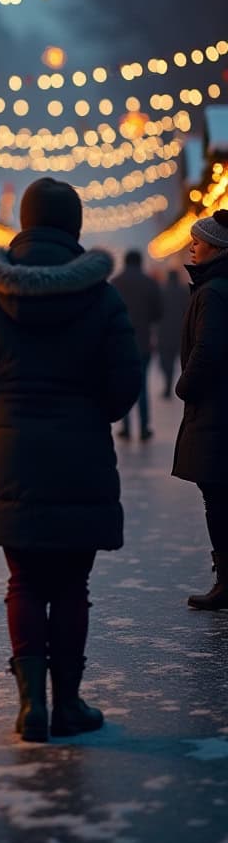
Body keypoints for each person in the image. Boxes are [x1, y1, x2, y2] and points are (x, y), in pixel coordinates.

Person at [0, 176, 140, 743]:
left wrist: (10, 410)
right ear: (74, 226)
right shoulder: (102, 296)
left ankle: (30, 703)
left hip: (15, 451)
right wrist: (90, 413)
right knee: (71, 586)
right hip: (81, 451)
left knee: (25, 582)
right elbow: (125, 383)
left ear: (25, 223)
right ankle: (69, 703)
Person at [171, 210, 228, 611]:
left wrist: (184, 385)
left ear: (217, 247)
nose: (192, 244)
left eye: (199, 239)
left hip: (215, 409)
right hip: (219, 407)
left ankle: (226, 580)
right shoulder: (215, 287)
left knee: (218, 496)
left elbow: (208, 350)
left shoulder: (212, 291)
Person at [112, 250, 163, 440]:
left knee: (123, 384)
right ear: (141, 262)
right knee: (142, 386)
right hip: (143, 341)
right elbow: (158, 313)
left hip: (120, 342)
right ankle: (143, 427)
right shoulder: (150, 283)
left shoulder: (116, 282)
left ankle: (125, 427)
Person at [157, 267, 190, 399]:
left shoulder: (162, 291)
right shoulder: (184, 291)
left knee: (165, 361)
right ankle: (177, 385)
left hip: (163, 331)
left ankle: (168, 383)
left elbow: (157, 311)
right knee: (182, 360)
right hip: (180, 331)